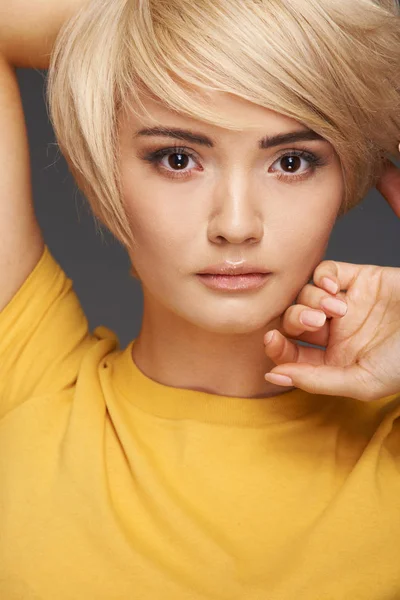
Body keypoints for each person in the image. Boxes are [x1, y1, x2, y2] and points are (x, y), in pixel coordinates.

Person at [0, 0, 399, 598]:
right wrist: (154, 28)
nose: (236, 225)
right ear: (103, 167)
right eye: (178, 158)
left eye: (292, 161)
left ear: (347, 172)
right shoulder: (23, 382)